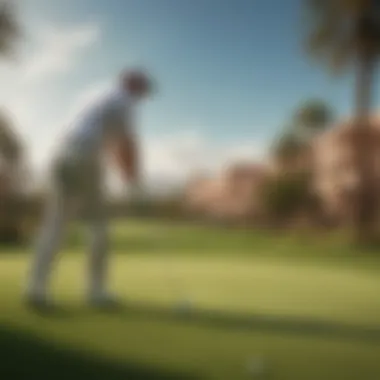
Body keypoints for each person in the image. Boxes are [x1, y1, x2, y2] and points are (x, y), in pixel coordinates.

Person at [26, 68, 153, 309]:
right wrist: (133, 182)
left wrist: (126, 175)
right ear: (132, 84)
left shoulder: (100, 96)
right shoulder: (123, 100)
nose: (142, 97)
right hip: (85, 161)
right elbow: (126, 144)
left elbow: (114, 146)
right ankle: (96, 292)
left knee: (55, 226)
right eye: (142, 90)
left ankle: (36, 289)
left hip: (62, 157)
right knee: (98, 228)